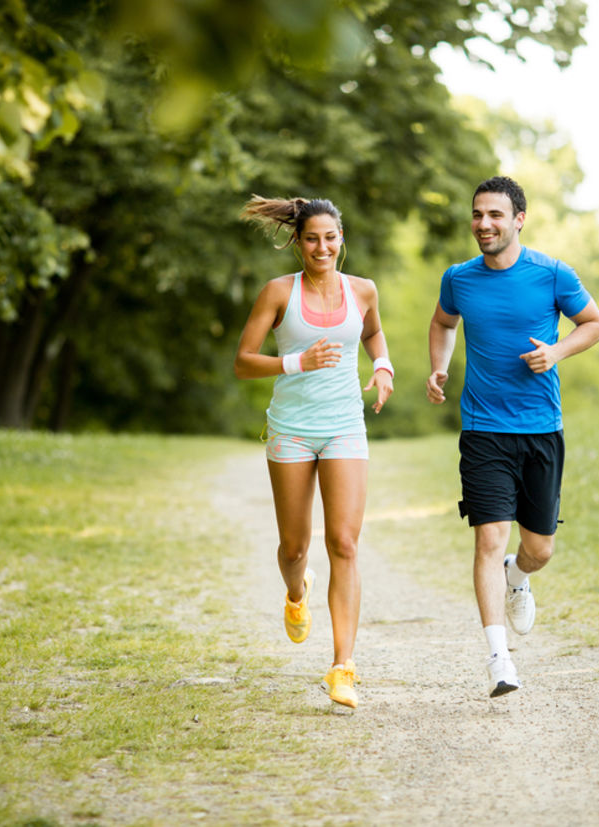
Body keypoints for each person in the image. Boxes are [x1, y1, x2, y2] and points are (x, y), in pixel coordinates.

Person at [427, 176, 599, 697]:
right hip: (483, 430)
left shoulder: (551, 274)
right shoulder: (459, 279)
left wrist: (556, 352)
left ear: (519, 219)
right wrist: (439, 367)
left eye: (495, 215)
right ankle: (499, 660)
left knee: (540, 549)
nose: (484, 224)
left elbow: (593, 323)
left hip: (541, 429)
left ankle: (518, 577)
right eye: (478, 214)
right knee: (488, 537)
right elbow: (442, 323)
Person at [234, 195, 394, 709]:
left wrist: (384, 364)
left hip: (345, 425)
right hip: (293, 430)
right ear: (298, 242)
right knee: (295, 548)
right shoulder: (279, 292)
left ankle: (342, 666)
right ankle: (297, 590)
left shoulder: (363, 290)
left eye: (330, 237)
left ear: (341, 238)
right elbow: (243, 361)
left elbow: (370, 331)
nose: (321, 247)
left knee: (344, 543)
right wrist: (296, 362)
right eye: (311, 238)